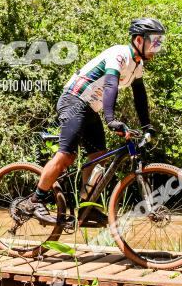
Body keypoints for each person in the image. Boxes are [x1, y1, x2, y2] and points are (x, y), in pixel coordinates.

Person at [16, 18, 166, 225]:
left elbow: (140, 95)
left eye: (160, 42)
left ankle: (87, 208)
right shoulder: (119, 54)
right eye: (155, 42)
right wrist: (111, 119)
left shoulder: (137, 65)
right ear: (139, 40)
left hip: (90, 109)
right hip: (74, 100)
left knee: (98, 157)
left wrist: (147, 125)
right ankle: (34, 201)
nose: (157, 48)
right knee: (66, 156)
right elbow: (111, 84)